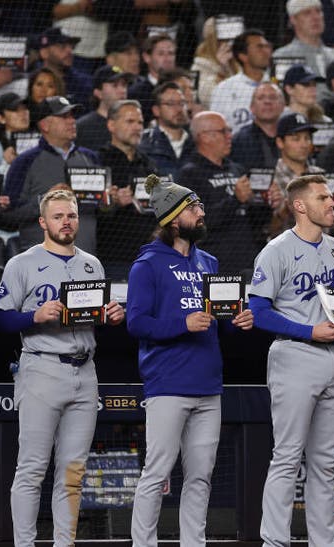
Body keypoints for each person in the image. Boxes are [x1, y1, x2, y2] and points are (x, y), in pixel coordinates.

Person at [127, 174, 254, 547]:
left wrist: (238, 322)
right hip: (167, 383)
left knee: (201, 476)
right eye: (193, 208)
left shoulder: (209, 262)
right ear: (172, 218)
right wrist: (183, 323)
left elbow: (218, 324)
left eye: (199, 206)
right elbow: (136, 323)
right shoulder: (146, 265)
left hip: (208, 384)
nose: (201, 213)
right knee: (156, 473)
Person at [0, 188, 124, 547]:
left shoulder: (91, 264)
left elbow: (95, 311)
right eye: (58, 216)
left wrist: (113, 314)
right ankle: (24, 543)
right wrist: (34, 315)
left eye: (71, 216)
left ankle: (64, 543)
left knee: (73, 472)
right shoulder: (22, 263)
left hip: (85, 369)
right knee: (32, 468)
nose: (66, 222)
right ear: (42, 222)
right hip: (42, 367)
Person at [250, 174, 334, 547]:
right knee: (287, 456)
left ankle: (324, 542)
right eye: (322, 197)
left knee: (326, 461)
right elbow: (259, 313)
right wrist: (309, 332)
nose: (332, 203)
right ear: (300, 205)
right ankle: (275, 541)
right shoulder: (276, 250)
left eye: (331, 197)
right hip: (294, 355)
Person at [0, 96, 99, 252]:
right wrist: (44, 201)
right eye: (64, 117)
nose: (72, 121)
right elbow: (7, 216)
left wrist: (110, 203)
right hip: (39, 263)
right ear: (45, 125)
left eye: (72, 116)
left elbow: (103, 211)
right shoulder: (24, 162)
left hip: (84, 259)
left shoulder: (90, 158)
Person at [178, 111, 263, 273]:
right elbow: (197, 222)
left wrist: (264, 201)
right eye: (223, 131)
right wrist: (235, 199)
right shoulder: (189, 174)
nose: (229, 136)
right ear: (204, 136)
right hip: (213, 264)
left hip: (247, 261)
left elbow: (254, 221)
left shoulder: (237, 169)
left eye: (229, 131)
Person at [96, 99, 158, 278]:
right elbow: (87, 209)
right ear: (111, 125)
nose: (137, 127)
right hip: (111, 258)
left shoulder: (149, 165)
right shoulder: (98, 161)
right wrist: (111, 202)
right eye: (130, 121)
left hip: (148, 258)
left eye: (140, 122)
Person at [273, 0, 334, 88]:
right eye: (307, 13)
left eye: (318, 11)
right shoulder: (283, 57)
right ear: (293, 19)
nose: (316, 17)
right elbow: (281, 92)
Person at [210, 29, 273, 131]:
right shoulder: (224, 90)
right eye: (260, 47)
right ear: (243, 56)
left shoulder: (277, 86)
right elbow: (216, 128)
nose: (266, 52)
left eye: (267, 47)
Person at [138, 81, 195, 177]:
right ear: (156, 110)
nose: (179, 109)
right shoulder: (143, 143)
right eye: (171, 104)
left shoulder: (198, 142)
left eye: (182, 103)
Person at [75, 65, 134, 152]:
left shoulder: (133, 124)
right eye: (115, 86)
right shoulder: (82, 128)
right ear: (98, 93)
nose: (123, 91)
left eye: (124, 85)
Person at [230, 83, 286, 170]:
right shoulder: (239, 141)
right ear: (252, 107)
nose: (267, 102)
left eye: (273, 98)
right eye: (261, 98)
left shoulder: (292, 137)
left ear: (283, 106)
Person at [35, 27, 92, 110]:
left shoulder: (84, 83)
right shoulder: (31, 81)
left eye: (72, 47)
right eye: (62, 46)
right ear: (44, 53)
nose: (69, 51)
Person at [191, 16, 239, 108]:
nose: (230, 43)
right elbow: (210, 99)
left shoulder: (239, 63)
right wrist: (223, 69)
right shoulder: (199, 67)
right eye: (225, 39)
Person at [128, 34, 177, 124]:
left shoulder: (183, 88)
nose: (167, 59)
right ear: (147, 57)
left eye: (171, 53)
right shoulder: (136, 93)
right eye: (161, 54)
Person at [0, 93, 29, 175]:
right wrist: (6, 164)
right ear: (1, 118)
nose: (23, 113)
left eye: (24, 108)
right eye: (15, 110)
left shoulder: (39, 140)